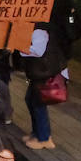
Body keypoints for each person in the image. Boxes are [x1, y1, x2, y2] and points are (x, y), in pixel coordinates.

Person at [19, 21, 65, 150]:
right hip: (39, 73)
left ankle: (44, 138)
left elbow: (38, 51)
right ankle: (37, 133)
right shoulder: (33, 28)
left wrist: (20, 48)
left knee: (38, 103)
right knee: (31, 100)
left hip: (43, 74)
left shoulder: (39, 30)